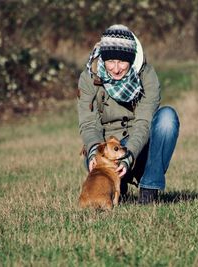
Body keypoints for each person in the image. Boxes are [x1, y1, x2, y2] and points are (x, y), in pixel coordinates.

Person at [77, 24, 180, 204]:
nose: (116, 69)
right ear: (103, 59)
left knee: (167, 118)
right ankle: (116, 187)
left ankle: (149, 188)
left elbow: (143, 123)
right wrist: (94, 151)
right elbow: (89, 124)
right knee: (96, 153)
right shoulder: (88, 78)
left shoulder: (147, 76)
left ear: (131, 60)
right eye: (110, 61)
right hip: (107, 153)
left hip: (138, 147)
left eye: (122, 62)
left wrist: (128, 156)